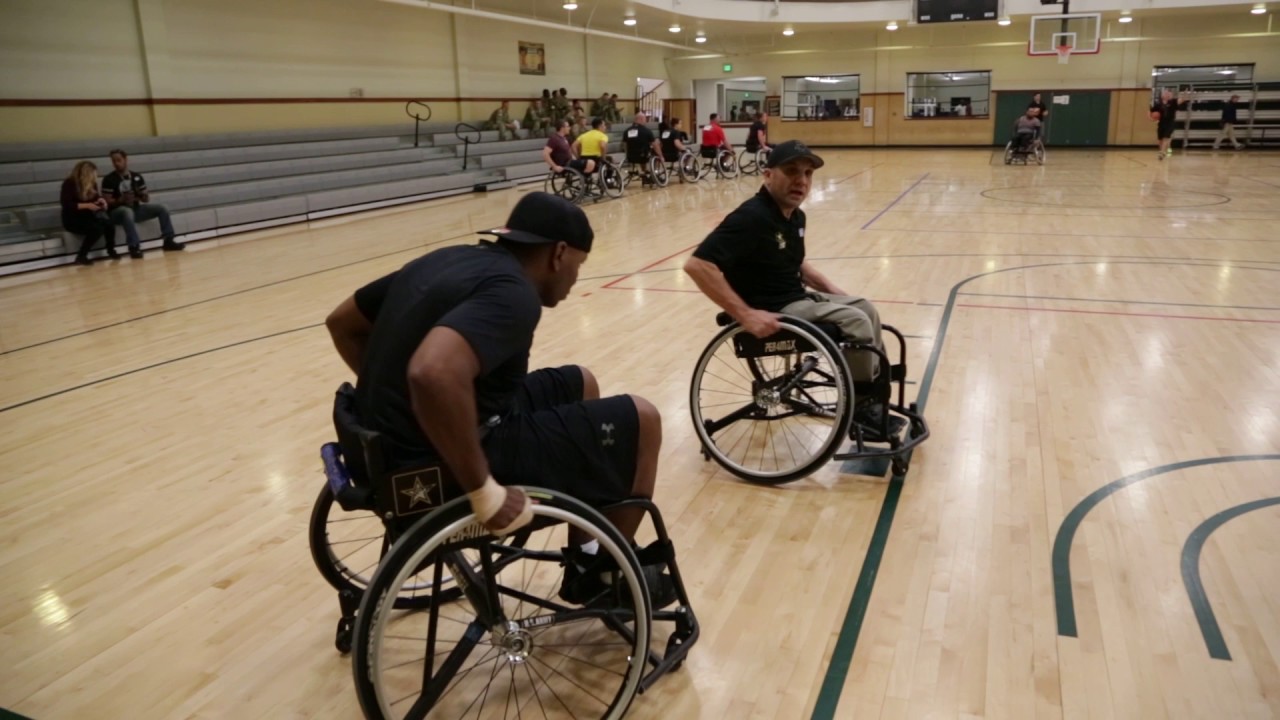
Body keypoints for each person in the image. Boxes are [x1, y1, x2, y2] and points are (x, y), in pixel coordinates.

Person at [324, 192, 672, 604]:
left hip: (385, 448)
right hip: (436, 465)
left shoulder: (449, 258)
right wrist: (483, 490)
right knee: (643, 419)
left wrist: (396, 398)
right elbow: (432, 372)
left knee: (581, 382)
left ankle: (586, 556)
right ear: (559, 254)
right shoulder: (515, 294)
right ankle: (600, 578)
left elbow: (341, 322)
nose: (577, 277)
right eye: (580, 264)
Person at [683, 140, 890, 435]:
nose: (801, 181)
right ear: (768, 175)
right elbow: (698, 265)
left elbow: (797, 264)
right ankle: (861, 406)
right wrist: (746, 315)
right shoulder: (751, 217)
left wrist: (838, 293)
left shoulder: (795, 216)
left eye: (807, 174)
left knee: (863, 308)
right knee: (855, 321)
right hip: (772, 307)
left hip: (794, 297)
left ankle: (874, 390)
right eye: (791, 171)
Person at [101, 149, 184, 258]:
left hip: (135, 208)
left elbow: (146, 199)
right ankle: (134, 246)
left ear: (126, 160)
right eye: (114, 161)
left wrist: (142, 196)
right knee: (127, 211)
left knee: (162, 208)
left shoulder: (136, 177)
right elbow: (106, 202)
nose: (116, 163)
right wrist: (120, 200)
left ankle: (168, 240)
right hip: (117, 212)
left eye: (119, 160)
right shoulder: (109, 179)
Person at [60, 161, 116, 266]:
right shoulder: (69, 183)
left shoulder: (92, 184)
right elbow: (67, 204)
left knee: (109, 223)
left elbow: (96, 197)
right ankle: (82, 255)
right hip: (72, 219)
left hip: (87, 216)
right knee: (97, 228)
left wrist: (101, 200)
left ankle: (111, 249)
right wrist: (87, 205)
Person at [1151, 89, 1190, 160]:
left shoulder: (1173, 102)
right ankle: (1161, 151)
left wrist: (1185, 94)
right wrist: (1152, 118)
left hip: (1170, 123)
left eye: (1168, 93)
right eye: (1165, 93)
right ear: (1162, 95)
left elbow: (1182, 99)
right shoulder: (1158, 104)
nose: (1167, 94)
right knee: (1160, 139)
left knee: (1166, 137)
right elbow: (1151, 112)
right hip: (1161, 123)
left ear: (1170, 95)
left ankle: (1162, 152)